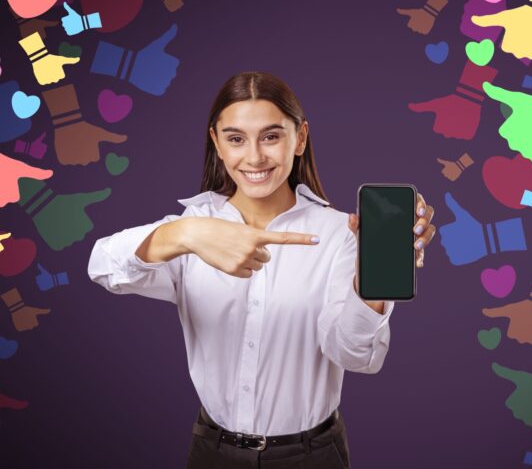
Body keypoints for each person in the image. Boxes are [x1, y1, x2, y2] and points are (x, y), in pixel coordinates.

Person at [87, 71, 437, 468]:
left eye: (271, 136)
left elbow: (356, 355)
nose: (254, 157)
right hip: (211, 452)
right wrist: (186, 233)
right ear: (217, 143)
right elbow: (102, 266)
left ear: (300, 138)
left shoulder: (339, 234)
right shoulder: (194, 226)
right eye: (236, 139)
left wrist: (372, 284)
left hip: (311, 455)